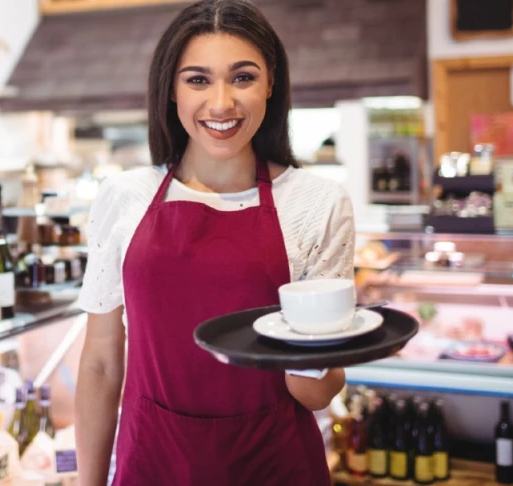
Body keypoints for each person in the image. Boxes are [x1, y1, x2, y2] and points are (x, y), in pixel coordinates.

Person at [74, 1, 354, 485]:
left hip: (275, 464)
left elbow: (319, 392)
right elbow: (100, 362)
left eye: (242, 77)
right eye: (198, 79)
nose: (221, 103)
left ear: (271, 84)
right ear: (170, 91)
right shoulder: (124, 196)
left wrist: (312, 363)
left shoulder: (318, 202)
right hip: (152, 461)